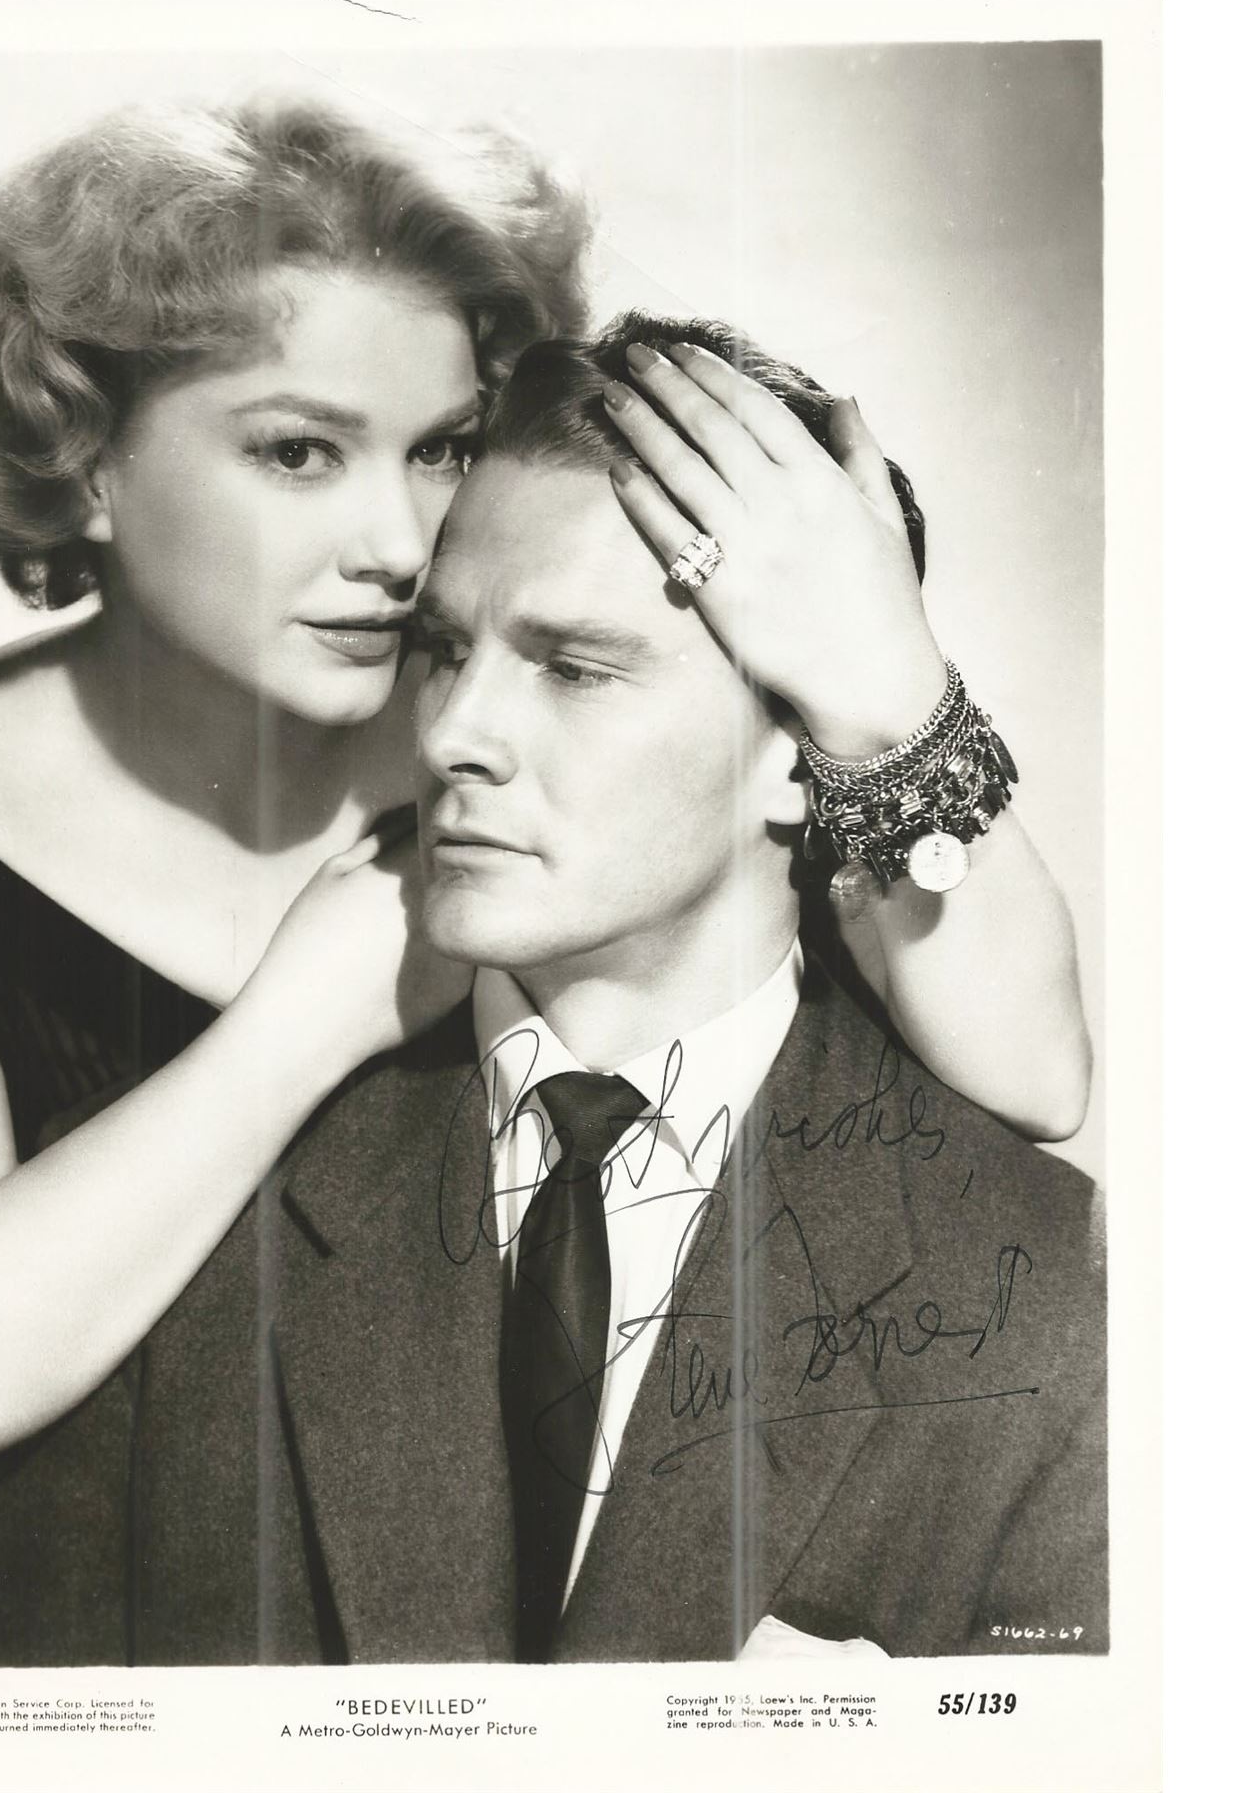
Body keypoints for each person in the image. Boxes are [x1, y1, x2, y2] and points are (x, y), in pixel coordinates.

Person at [0, 94, 1091, 1666]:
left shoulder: (524, 701)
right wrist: (303, 1022)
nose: (404, 541)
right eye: (297, 451)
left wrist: (884, 691)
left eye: (442, 449)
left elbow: (1033, 1081)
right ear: (86, 459)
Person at [126, 313, 1104, 1664]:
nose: (454, 735)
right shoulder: (156, 1221)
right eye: (443, 649)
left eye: (575, 667)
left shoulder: (1054, 1295)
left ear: (797, 753)